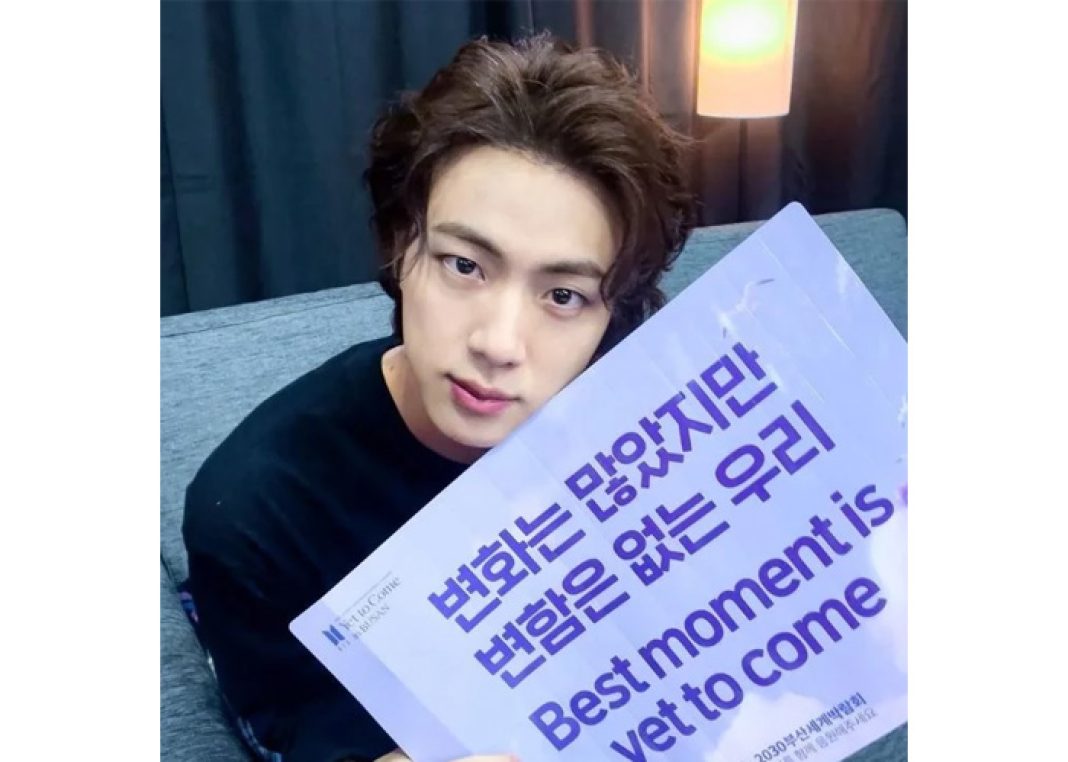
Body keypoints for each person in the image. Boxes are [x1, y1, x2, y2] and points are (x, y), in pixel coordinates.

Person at [181, 31, 697, 762]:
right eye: (464, 265)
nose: (499, 342)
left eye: (563, 295)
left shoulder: (653, 422)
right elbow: (297, 732)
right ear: (402, 246)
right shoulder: (257, 509)